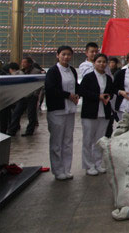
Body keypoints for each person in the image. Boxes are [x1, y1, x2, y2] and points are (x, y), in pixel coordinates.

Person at [45, 45, 80, 180]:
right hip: (57, 110)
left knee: (67, 141)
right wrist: (68, 95)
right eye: (63, 54)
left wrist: (77, 95)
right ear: (57, 55)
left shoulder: (72, 70)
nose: (66, 57)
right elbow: (50, 89)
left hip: (69, 110)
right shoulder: (53, 71)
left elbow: (76, 86)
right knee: (56, 142)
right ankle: (58, 170)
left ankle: (66, 168)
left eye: (68, 54)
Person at [79, 53, 114, 176]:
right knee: (88, 139)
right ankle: (89, 165)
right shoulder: (88, 77)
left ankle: (98, 163)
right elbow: (82, 91)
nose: (101, 64)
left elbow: (111, 92)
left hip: (104, 112)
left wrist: (108, 97)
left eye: (104, 62)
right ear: (94, 63)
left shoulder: (108, 78)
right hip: (90, 112)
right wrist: (97, 96)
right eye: (99, 61)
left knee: (99, 140)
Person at [7, 57, 43, 136]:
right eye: (22, 62)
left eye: (24, 62)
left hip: (32, 96)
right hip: (23, 96)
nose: (23, 64)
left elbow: (39, 83)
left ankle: (29, 131)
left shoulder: (36, 72)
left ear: (29, 63)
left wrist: (36, 94)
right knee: (16, 113)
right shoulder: (21, 72)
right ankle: (12, 131)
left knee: (31, 114)